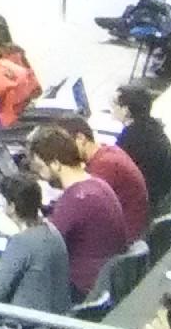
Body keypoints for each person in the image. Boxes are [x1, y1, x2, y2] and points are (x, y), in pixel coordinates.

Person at [27, 126, 129, 296]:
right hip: (101, 283)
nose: (39, 173)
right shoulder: (98, 184)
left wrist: (16, 228)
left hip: (80, 288)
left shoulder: (76, 199)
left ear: (55, 164)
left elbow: (41, 247)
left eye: (40, 167)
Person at [0, 173, 74, 313]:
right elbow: (16, 270)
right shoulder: (51, 230)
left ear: (12, 206)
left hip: (23, 327)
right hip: (51, 324)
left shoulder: (21, 241)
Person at [112, 83, 171, 217]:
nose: (112, 108)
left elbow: (114, 167)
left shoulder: (132, 137)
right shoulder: (151, 126)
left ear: (126, 110)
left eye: (115, 104)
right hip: (163, 191)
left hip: (149, 200)